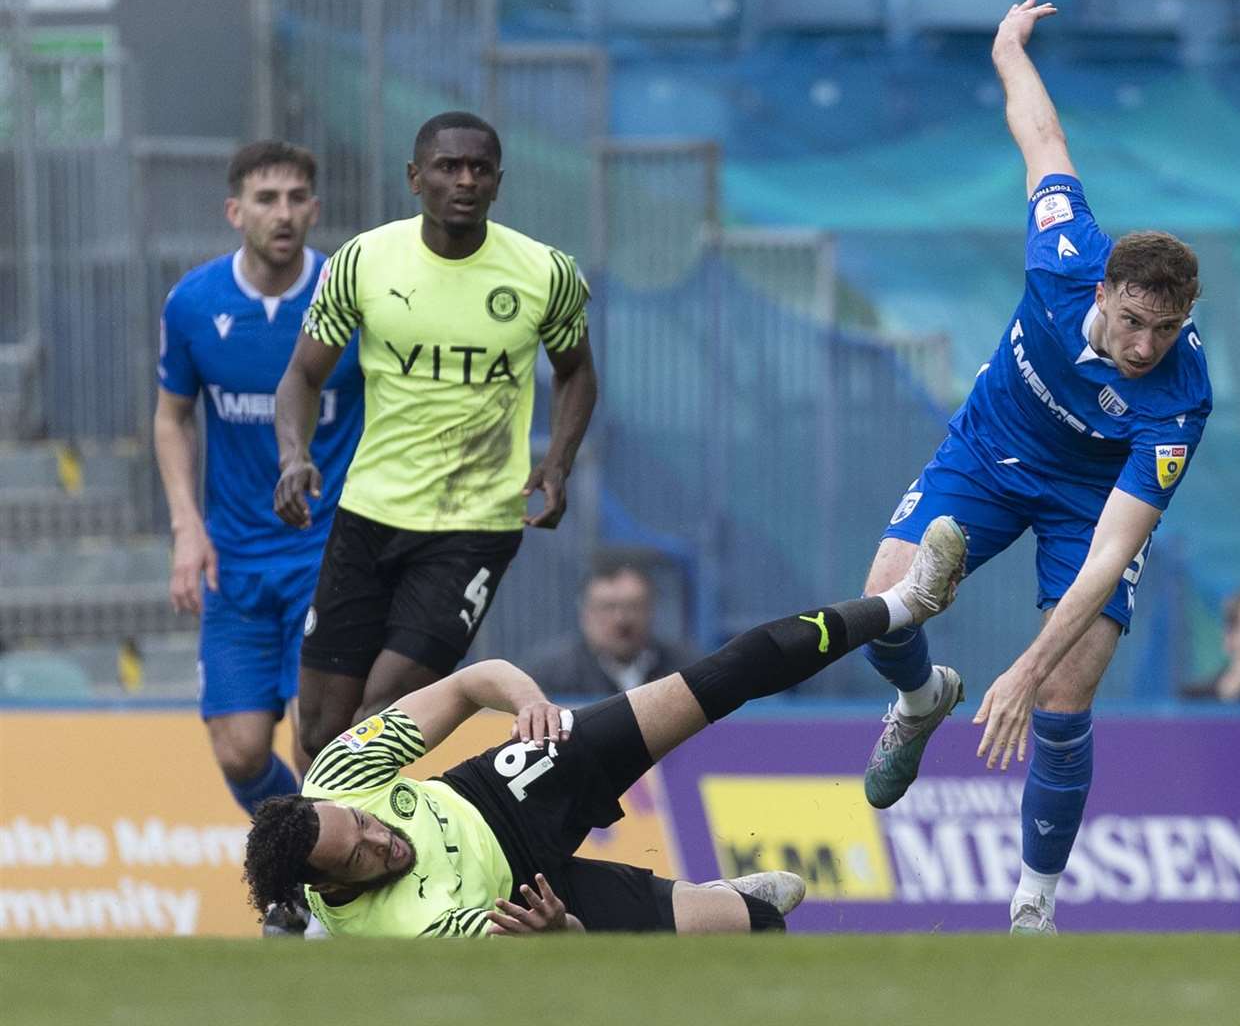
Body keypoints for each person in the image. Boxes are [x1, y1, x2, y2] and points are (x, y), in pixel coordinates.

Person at [855, 0, 1212, 934]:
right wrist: (1010, 47)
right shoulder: (1061, 251)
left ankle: (1033, 909)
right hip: (986, 452)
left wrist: (1022, 669)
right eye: (1133, 321)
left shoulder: (1180, 399)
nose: (1144, 345)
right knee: (884, 604)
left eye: (1165, 329)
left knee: (1064, 692)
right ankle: (920, 696)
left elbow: (1110, 555)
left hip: (1087, 505)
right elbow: (1041, 135)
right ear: (1103, 289)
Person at [243, 516, 968, 936]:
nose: (380, 836)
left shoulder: (338, 777)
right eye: (362, 855)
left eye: (362, 823)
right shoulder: (402, 932)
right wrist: (557, 932)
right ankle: (726, 900)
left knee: (723, 676)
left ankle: (909, 600)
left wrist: (529, 703)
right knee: (759, 927)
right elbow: (557, 959)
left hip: (503, 792)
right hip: (525, 900)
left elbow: (470, 683)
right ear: (324, 885)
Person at [272, 111, 598, 766]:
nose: (466, 180)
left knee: (379, 717)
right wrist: (293, 455)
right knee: (317, 729)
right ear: (415, 177)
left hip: (474, 526)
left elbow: (577, 373)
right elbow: (302, 375)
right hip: (368, 514)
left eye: (480, 168)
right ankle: (321, 861)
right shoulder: (364, 261)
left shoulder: (544, 273)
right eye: (449, 166)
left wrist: (557, 463)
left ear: (499, 184)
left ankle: (351, 856)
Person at [153, 141, 364, 820]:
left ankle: (324, 896)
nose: (284, 213)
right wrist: (188, 528)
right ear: (234, 211)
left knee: (318, 743)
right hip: (235, 560)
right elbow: (171, 418)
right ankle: (307, 867)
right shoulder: (193, 304)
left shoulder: (350, 296)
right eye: (267, 199)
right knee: (241, 751)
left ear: (315, 209)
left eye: (297, 198)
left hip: (327, 552)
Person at [524, 556, 693, 696]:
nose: (621, 619)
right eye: (608, 607)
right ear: (585, 613)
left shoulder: (686, 670)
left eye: (633, 606)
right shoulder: (548, 677)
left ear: (651, 609)